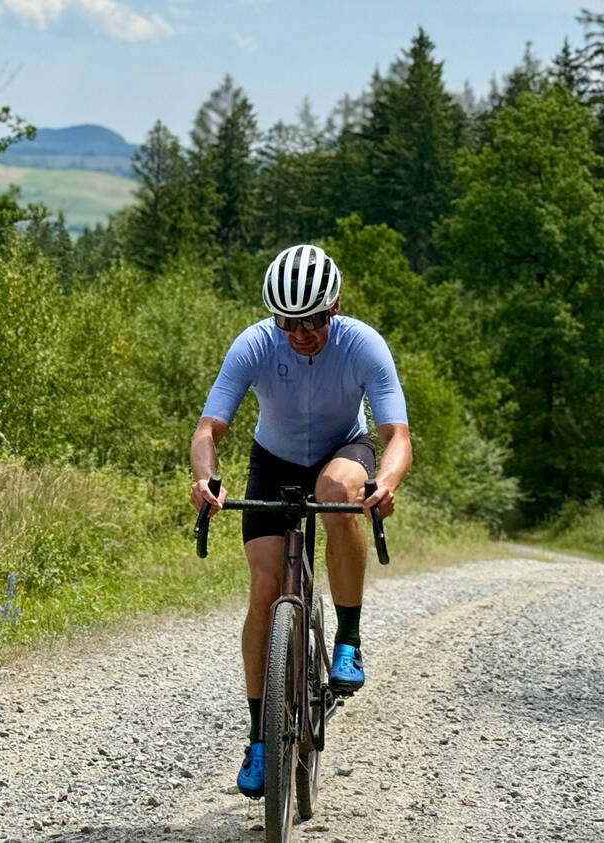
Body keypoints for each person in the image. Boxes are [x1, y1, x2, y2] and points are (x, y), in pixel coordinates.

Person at [189, 244, 412, 799]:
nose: (300, 333)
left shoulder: (362, 344)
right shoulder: (254, 344)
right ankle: (259, 739)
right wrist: (206, 480)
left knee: (335, 493)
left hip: (343, 450)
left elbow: (396, 437)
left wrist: (384, 484)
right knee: (265, 589)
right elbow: (208, 430)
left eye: (311, 320)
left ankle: (349, 640)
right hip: (274, 461)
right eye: (287, 322)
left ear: (333, 307)